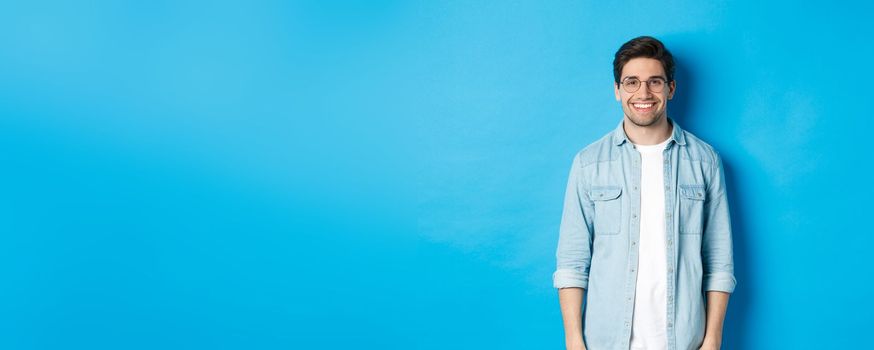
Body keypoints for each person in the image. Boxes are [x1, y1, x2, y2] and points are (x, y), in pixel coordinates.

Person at [553, 36, 736, 350]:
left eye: (654, 82)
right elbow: (572, 262)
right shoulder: (589, 163)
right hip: (606, 341)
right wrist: (574, 341)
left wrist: (712, 340)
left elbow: (719, 262)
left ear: (671, 89)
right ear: (617, 90)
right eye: (632, 82)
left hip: (683, 340)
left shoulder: (705, 161)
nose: (643, 93)